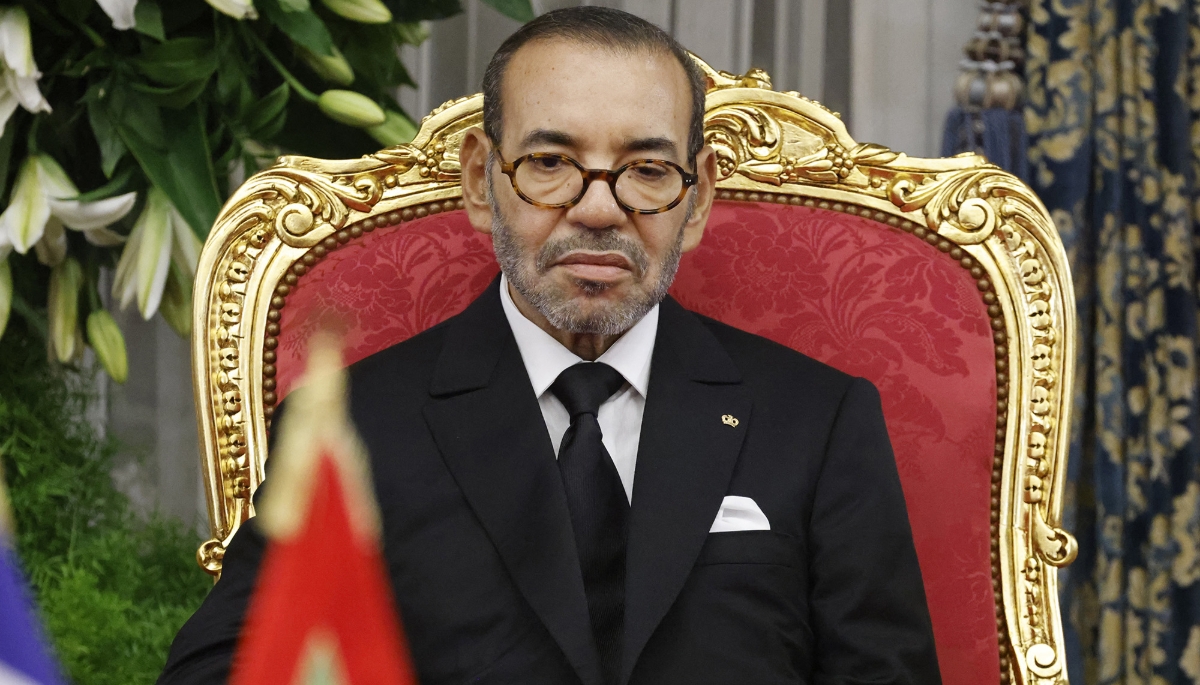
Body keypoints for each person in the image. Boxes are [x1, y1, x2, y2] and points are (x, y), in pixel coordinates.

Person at [159, 7, 940, 685]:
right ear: (480, 180)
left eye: (646, 168)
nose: (598, 209)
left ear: (697, 196)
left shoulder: (819, 421)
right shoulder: (354, 427)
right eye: (550, 163)